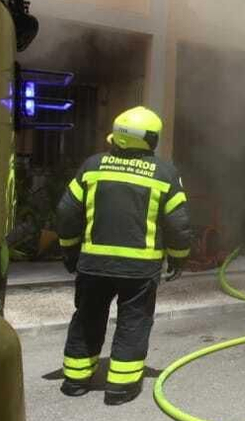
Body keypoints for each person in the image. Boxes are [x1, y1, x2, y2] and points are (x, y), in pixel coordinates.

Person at [54, 106, 192, 405]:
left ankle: (76, 380)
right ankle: (120, 388)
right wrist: (179, 256)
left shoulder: (93, 166)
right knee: (134, 321)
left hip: (93, 265)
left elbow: (66, 211)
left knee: (88, 317)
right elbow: (178, 224)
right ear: (152, 139)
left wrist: (68, 248)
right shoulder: (165, 172)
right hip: (139, 270)